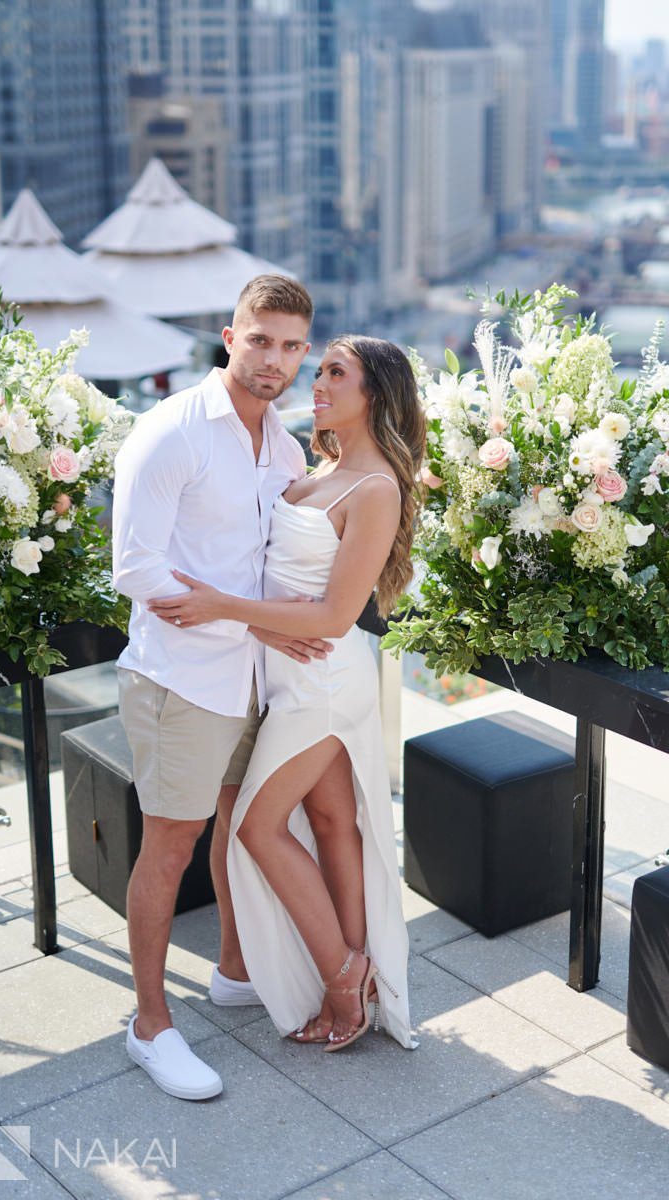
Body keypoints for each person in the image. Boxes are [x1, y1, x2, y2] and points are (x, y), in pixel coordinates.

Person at [149, 335, 425, 1051]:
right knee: (335, 828)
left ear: (376, 397)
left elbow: (336, 615)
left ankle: (342, 975)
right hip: (286, 676)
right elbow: (274, 581)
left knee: (256, 827)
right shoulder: (315, 469)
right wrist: (254, 625)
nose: (319, 382)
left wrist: (223, 608)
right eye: (322, 369)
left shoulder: (377, 489)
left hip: (324, 685)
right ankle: (356, 981)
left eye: (338, 373)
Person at [112, 275, 333, 1100]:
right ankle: (148, 1024)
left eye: (290, 346)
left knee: (240, 822)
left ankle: (234, 972)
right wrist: (263, 626)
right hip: (181, 679)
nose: (273, 359)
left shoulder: (283, 446)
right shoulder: (171, 432)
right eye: (260, 339)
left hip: (252, 678)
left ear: (304, 353)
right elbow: (135, 570)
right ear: (229, 334)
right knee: (169, 847)